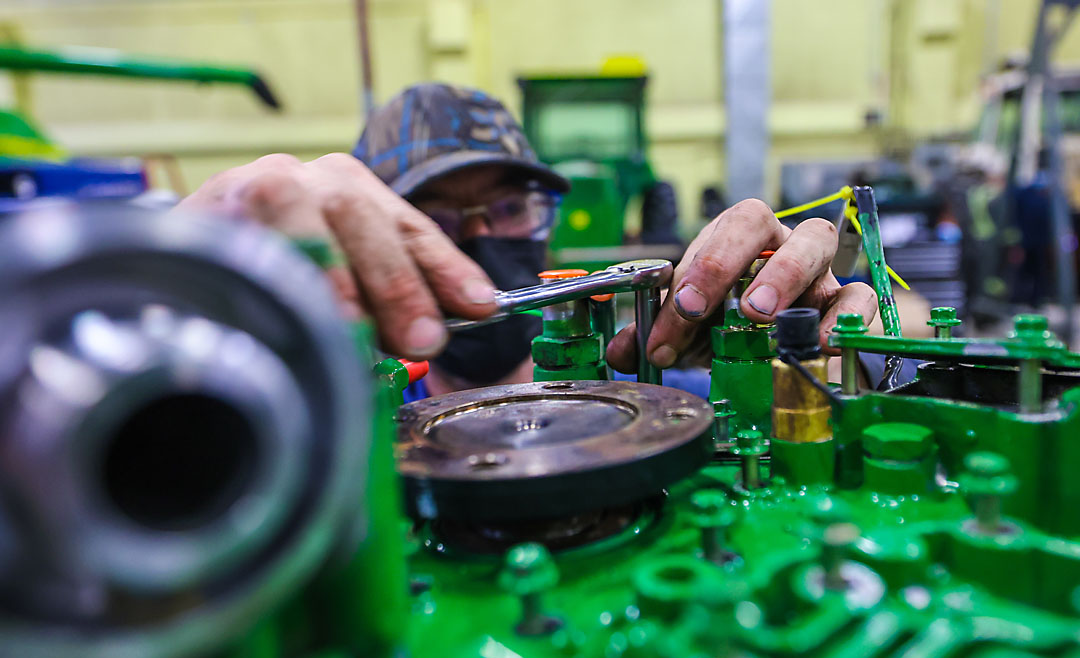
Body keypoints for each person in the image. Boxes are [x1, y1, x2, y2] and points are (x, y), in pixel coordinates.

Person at [179, 82, 880, 394]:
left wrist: (814, 352)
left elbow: (901, 334)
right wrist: (185, 279)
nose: (482, 241)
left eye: (510, 208)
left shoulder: (668, 390)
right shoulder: (351, 432)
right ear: (376, 238)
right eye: (435, 216)